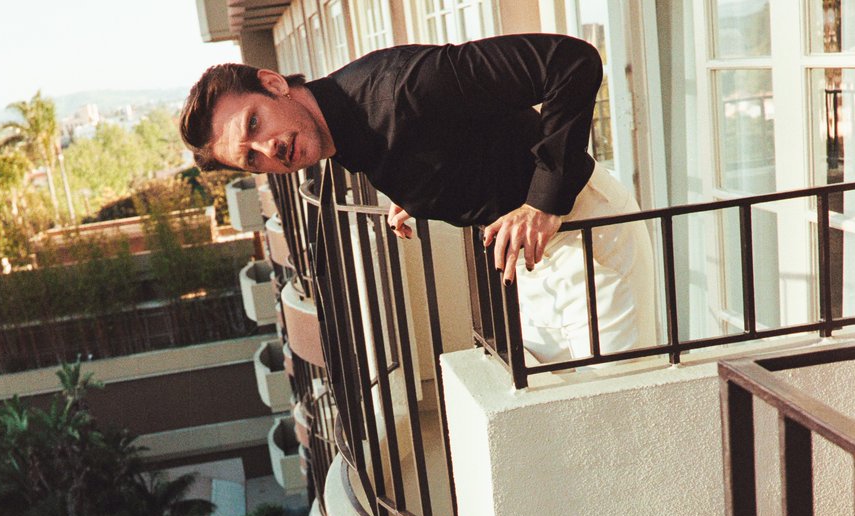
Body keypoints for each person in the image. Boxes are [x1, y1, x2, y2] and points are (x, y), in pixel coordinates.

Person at [178, 35, 656, 362]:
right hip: (531, 272)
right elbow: (441, 144)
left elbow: (570, 62)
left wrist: (544, 201)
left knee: (621, 410)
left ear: (273, 84)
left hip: (583, 239)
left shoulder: (402, 85)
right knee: (567, 411)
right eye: (252, 160)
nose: (270, 150)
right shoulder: (340, 134)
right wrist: (421, 194)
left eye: (254, 125)